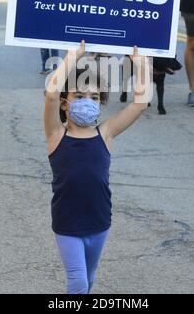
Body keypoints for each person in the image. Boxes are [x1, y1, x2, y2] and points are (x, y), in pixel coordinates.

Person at [44, 41, 149, 294]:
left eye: (93, 97)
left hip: (99, 221)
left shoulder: (106, 134)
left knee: (89, 278)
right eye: (78, 96)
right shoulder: (56, 135)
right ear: (64, 103)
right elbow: (49, 93)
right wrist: (71, 59)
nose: (86, 101)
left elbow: (139, 103)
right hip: (67, 223)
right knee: (78, 281)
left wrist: (142, 68)